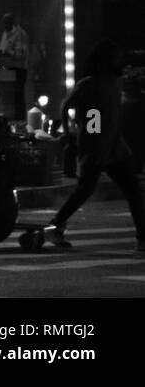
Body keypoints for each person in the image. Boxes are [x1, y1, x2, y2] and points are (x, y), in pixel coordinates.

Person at [45, 40, 145, 252]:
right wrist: (74, 132)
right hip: (98, 147)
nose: (121, 61)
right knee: (85, 190)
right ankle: (55, 225)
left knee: (134, 190)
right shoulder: (90, 84)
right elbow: (74, 109)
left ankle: (142, 238)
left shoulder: (115, 81)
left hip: (116, 146)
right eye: (116, 57)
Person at [0, 12, 32, 118]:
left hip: (18, 70)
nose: (4, 26)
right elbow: (2, 48)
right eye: (3, 23)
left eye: (6, 23)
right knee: (8, 98)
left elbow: (20, 55)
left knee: (18, 97)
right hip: (7, 69)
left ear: (12, 22)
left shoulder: (20, 34)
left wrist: (7, 53)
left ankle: (20, 118)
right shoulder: (5, 33)